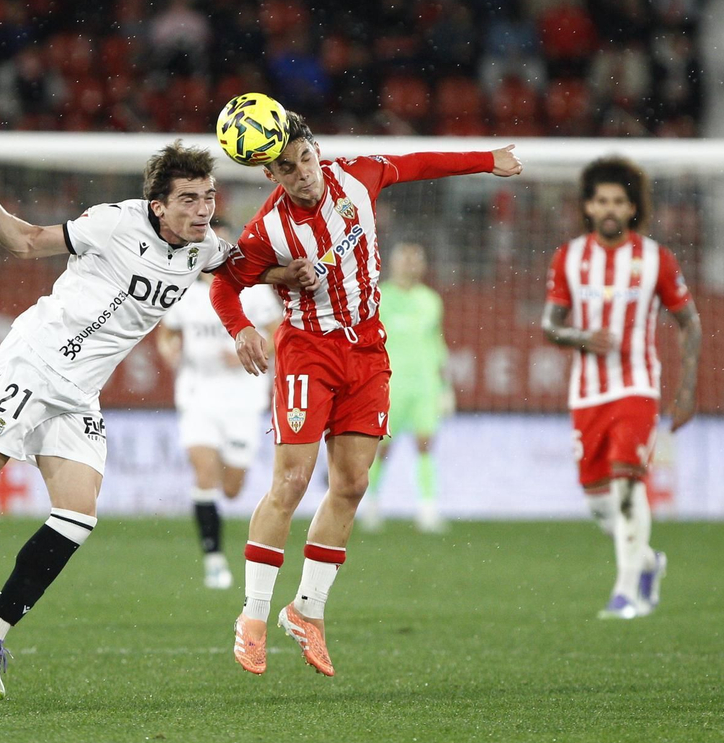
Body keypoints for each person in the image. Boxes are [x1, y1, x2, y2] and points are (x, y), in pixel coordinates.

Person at [0, 143, 292, 699]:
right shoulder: (113, 225)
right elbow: (26, 242)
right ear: (156, 205)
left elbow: (247, 268)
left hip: (79, 391)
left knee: (77, 516)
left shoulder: (203, 248)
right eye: (189, 199)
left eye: (209, 197)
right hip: (37, 359)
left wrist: (299, 273)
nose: (203, 209)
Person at [212, 111, 523, 676]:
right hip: (308, 350)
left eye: (305, 157)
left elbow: (419, 163)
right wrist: (242, 329)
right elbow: (224, 284)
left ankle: (307, 610)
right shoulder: (267, 230)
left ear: (316, 151)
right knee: (291, 481)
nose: (302, 173)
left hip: (368, 354)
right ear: (269, 175)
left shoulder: (357, 176)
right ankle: (253, 614)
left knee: (353, 484)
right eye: (286, 167)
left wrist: (486, 159)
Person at [540, 156, 700, 620]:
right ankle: (648, 562)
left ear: (633, 208)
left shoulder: (656, 259)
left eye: (619, 201)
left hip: (637, 387)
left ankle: (626, 592)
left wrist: (687, 389)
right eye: (601, 200)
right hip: (587, 392)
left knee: (629, 488)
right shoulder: (569, 257)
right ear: (588, 207)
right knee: (599, 504)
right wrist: (581, 337)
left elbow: (690, 323)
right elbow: (550, 325)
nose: (609, 209)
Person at [156, 215, 284, 588]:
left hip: (244, 396)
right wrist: (169, 350)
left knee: (231, 487)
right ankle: (213, 559)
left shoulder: (256, 293)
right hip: (198, 393)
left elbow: (280, 334)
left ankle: (222, 547)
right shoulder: (185, 292)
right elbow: (167, 333)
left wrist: (254, 346)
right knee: (204, 474)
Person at [361, 242, 452, 533]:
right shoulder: (380, 297)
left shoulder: (431, 300)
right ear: (393, 263)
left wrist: (445, 387)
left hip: (425, 385)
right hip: (389, 385)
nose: (410, 265)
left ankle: (427, 508)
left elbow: (436, 342)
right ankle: (371, 504)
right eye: (405, 259)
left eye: (416, 260)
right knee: (380, 449)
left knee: (425, 444)